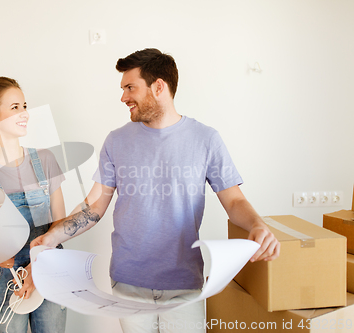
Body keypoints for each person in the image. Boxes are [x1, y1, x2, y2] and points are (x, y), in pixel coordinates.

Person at [31, 49, 280, 333]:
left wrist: (258, 225)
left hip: (184, 284)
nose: (123, 97)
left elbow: (234, 200)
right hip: (128, 284)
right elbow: (94, 207)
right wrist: (52, 235)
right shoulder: (116, 141)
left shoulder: (206, 139)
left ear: (159, 86)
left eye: (130, 87)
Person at [0, 77, 67, 333]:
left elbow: (60, 224)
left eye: (24, 106)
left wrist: (35, 268)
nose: (25, 113)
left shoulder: (45, 159)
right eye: (15, 107)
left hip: (48, 269)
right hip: (6, 279)